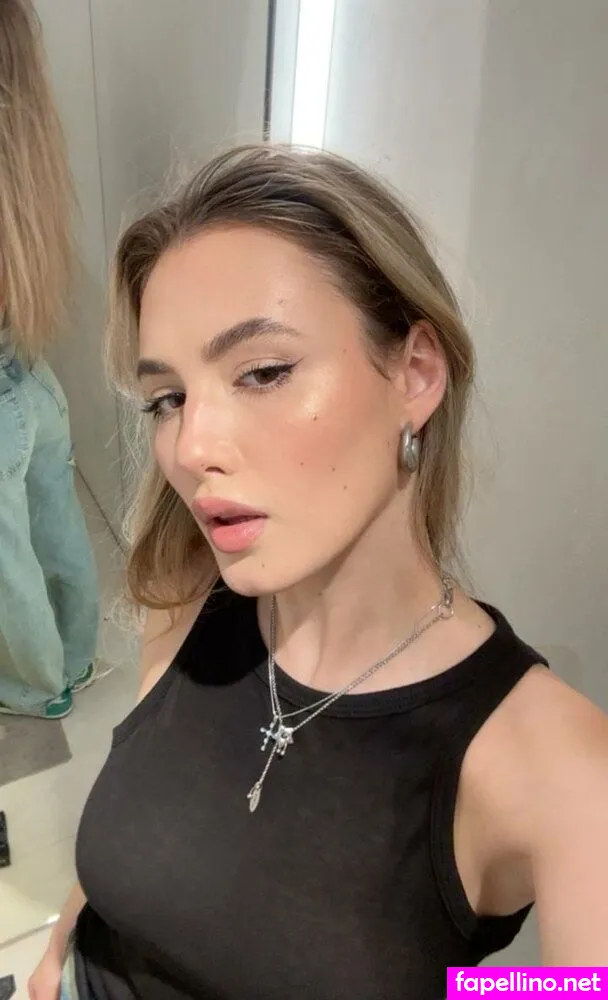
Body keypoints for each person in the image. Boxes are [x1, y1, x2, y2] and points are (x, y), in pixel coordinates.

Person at [30, 144, 608, 999]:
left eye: (263, 372)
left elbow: (570, 986)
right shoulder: (189, 597)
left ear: (415, 373)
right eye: (169, 399)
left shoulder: (552, 766)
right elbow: (129, 845)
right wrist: (58, 954)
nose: (190, 448)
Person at [0, 0, 99, 720]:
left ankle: (34, 688)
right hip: (29, 374)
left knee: (7, 560)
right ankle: (76, 655)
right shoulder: (25, 156)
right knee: (52, 519)